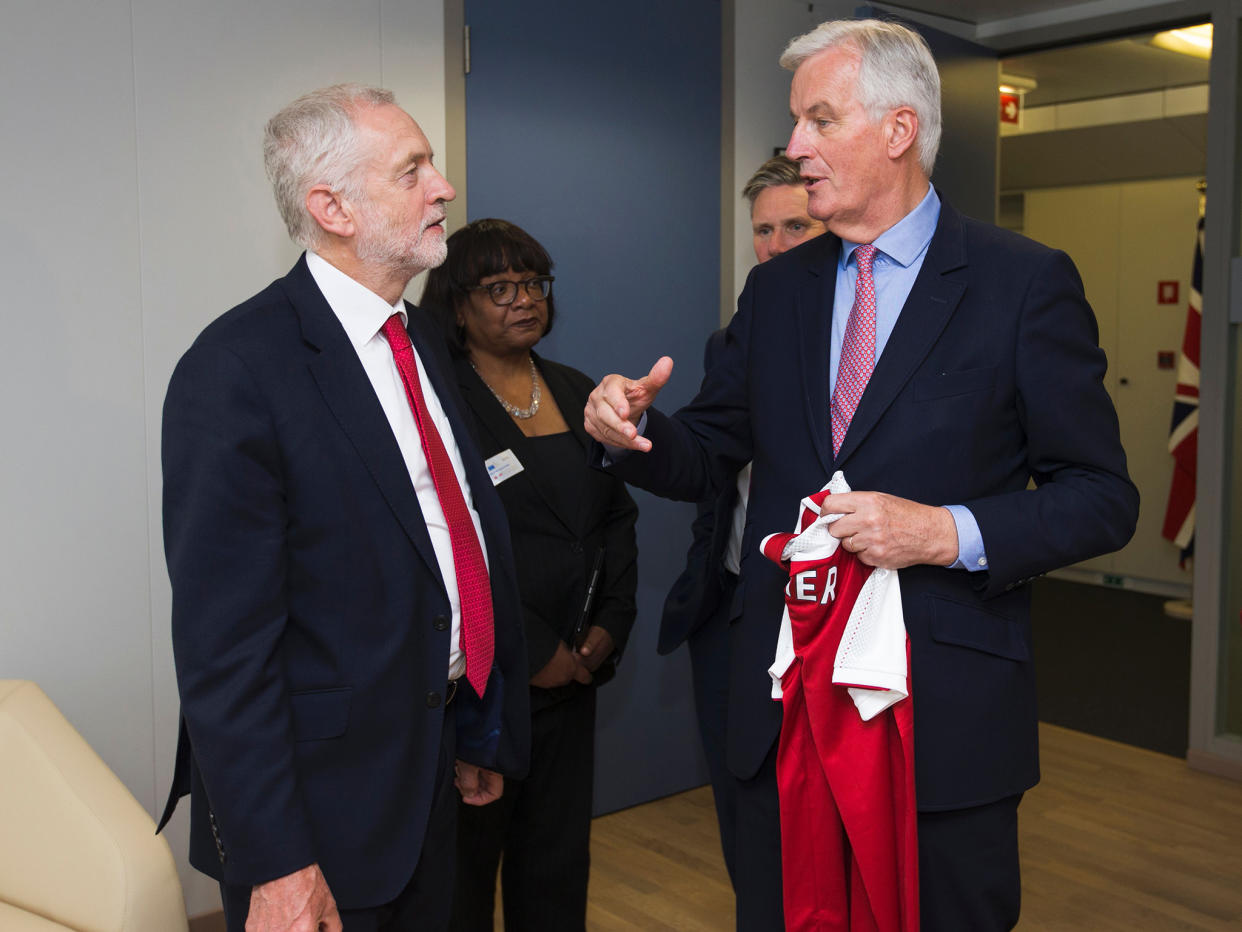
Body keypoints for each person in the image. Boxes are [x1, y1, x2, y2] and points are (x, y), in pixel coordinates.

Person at [584, 19, 1138, 932]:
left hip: (939, 719)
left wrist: (943, 532)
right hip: (782, 709)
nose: (794, 146)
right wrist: (631, 433)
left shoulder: (1023, 284)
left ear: (898, 129)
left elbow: (1104, 498)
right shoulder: (780, 289)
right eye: (795, 123)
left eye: (819, 120)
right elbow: (712, 453)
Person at [157, 84, 530, 932]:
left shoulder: (421, 337)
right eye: (413, 171)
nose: (444, 188)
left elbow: (446, 543)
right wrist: (277, 863)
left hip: (432, 765)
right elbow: (224, 653)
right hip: (316, 812)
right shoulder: (236, 371)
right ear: (333, 207)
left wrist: (478, 724)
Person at [420, 218, 639, 931]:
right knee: (465, 880)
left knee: (556, 868)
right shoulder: (436, 403)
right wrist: (534, 650)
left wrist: (610, 625)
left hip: (574, 681)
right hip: (485, 689)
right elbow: (452, 548)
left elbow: (615, 519)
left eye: (534, 282)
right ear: (457, 304)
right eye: (500, 287)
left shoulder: (577, 389)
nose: (524, 299)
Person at [658, 154, 825, 887]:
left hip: (818, 618)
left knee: (817, 825)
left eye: (796, 224)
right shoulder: (731, 342)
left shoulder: (858, 345)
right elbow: (710, 458)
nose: (776, 244)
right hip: (730, 608)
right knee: (746, 823)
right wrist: (632, 434)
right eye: (763, 229)